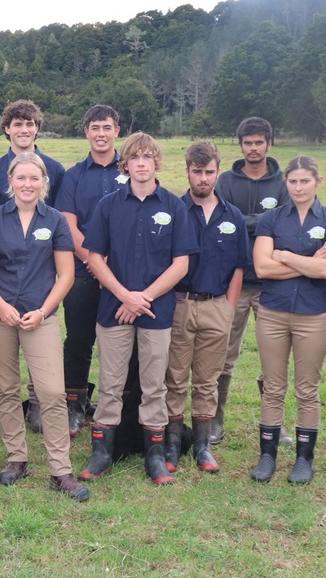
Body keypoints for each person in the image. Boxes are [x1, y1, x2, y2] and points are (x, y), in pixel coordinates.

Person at [78, 133, 198, 486]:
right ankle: (101, 454)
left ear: (156, 162)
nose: (141, 163)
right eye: (135, 157)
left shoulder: (174, 207)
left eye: (147, 157)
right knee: (111, 383)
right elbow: (95, 258)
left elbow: (181, 264)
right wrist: (123, 295)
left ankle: (155, 455)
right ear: (125, 164)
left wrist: (142, 297)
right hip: (113, 309)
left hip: (156, 311)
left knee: (154, 385)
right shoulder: (109, 205)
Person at [0, 153, 88, 501]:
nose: (27, 184)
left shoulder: (55, 220)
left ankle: (60, 471)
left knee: (52, 392)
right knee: (6, 389)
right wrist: (1, 306)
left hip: (41, 317)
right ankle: (17, 459)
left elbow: (66, 274)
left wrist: (43, 311)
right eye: (20, 178)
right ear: (10, 181)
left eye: (34, 178)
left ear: (44, 182)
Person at [250, 155, 326, 485]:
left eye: (305, 181)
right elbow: (262, 268)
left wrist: (286, 256)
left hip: (313, 316)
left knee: (307, 389)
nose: (299, 187)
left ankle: (304, 459)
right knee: (274, 387)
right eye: (293, 181)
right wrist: (309, 262)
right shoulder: (270, 220)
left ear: (318, 182)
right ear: (285, 184)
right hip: (273, 313)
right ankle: (267, 456)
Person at [0, 99, 65, 430]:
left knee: (39, 343)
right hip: (0, 271)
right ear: (7, 129)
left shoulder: (55, 169)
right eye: (17, 124)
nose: (24, 130)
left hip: (39, 270)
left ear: (37, 128)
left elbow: (56, 222)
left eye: (29, 124)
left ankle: (39, 402)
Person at [163, 142, 249, 474]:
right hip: (180, 305)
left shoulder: (233, 216)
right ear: (187, 172)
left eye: (209, 172)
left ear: (218, 171)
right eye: (197, 172)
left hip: (217, 307)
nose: (203, 178)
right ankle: (172, 442)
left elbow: (239, 268)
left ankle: (201, 444)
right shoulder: (173, 210)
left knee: (207, 380)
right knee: (174, 377)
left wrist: (228, 308)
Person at [211, 117, 289, 444]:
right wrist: (263, 223)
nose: (253, 148)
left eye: (259, 142)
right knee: (222, 352)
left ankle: (275, 423)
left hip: (273, 281)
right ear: (240, 145)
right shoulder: (225, 180)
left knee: (275, 355)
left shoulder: (283, 183)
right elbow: (218, 219)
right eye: (247, 143)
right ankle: (215, 419)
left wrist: (243, 222)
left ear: (269, 144)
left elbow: (286, 224)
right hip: (235, 280)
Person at [55, 105, 129, 437]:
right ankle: (75, 404)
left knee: (125, 341)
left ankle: (123, 404)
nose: (101, 133)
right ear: (86, 131)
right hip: (83, 273)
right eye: (95, 127)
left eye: (107, 127)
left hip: (125, 273)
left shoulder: (131, 170)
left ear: (117, 131)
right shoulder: (73, 176)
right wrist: (97, 262)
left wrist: (115, 264)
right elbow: (68, 227)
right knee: (79, 339)